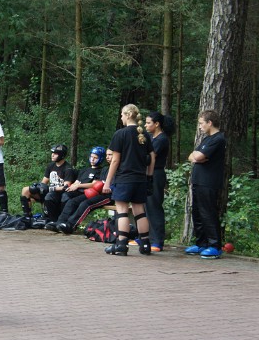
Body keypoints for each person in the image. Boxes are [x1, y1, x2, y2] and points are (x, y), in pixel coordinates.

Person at [102, 104, 155, 256]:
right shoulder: (143, 134)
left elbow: (115, 160)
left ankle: (121, 244)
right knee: (140, 212)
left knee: (122, 211)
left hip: (124, 178)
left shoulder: (120, 134)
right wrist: (149, 176)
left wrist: (108, 181)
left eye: (121, 115)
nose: (121, 118)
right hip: (140, 179)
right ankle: (145, 244)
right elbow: (152, 157)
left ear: (127, 115)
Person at [185, 110, 227, 259]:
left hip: (208, 182)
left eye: (201, 123)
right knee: (197, 213)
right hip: (198, 181)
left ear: (210, 123)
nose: (200, 127)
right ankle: (201, 243)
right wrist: (197, 157)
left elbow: (199, 156)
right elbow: (192, 156)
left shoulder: (218, 139)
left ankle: (214, 245)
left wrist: (198, 157)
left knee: (208, 213)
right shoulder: (206, 139)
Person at [46, 146, 106, 232]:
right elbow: (76, 182)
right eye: (91, 157)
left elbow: (94, 185)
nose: (92, 159)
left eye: (95, 158)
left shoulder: (100, 171)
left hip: (87, 193)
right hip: (77, 191)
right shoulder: (84, 170)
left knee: (72, 202)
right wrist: (71, 187)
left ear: (100, 159)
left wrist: (78, 186)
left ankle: (66, 223)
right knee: (64, 195)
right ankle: (58, 222)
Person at [145, 111, 175, 252]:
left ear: (157, 124)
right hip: (146, 174)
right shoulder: (151, 137)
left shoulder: (162, 139)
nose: (146, 125)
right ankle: (145, 237)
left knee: (154, 206)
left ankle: (157, 241)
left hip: (156, 174)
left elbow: (150, 156)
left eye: (148, 123)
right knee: (145, 206)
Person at [20, 144, 75, 221]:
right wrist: (37, 188)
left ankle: (51, 219)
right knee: (26, 190)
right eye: (52, 153)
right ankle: (27, 217)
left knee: (49, 195)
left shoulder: (68, 169)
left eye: (55, 153)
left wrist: (51, 188)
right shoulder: (51, 165)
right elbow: (44, 182)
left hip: (58, 194)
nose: (52, 155)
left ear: (62, 155)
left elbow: (66, 187)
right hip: (49, 191)